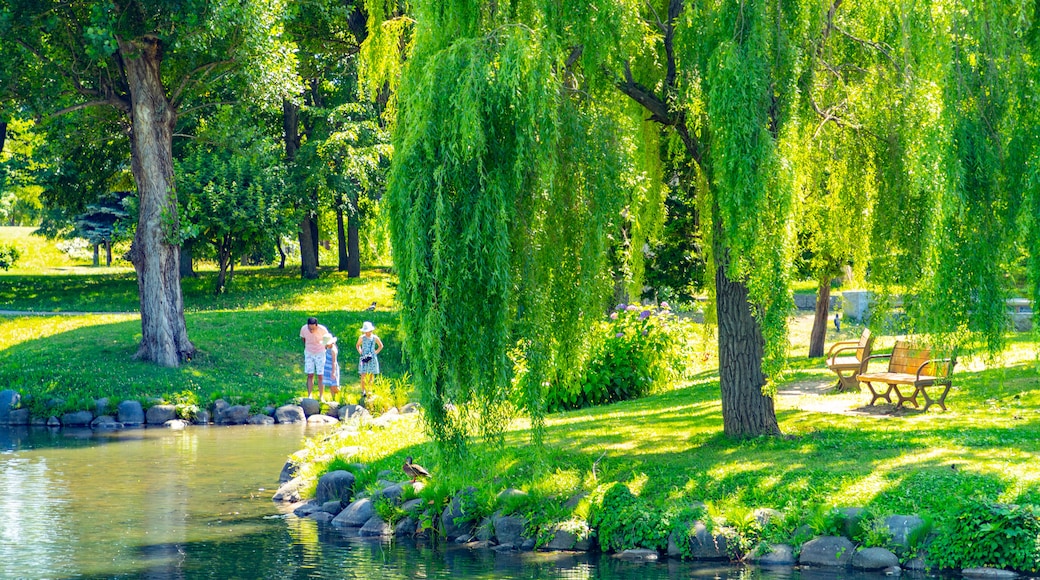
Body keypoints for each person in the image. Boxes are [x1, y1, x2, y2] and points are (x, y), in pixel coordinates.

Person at [299, 317, 329, 400]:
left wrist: (323, 348)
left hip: (320, 352)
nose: (311, 330)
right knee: (310, 374)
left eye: (313, 328)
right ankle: (309, 395)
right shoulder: (304, 329)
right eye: (310, 328)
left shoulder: (322, 330)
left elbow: (327, 340)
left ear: (316, 325)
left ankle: (321, 396)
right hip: (309, 352)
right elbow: (304, 339)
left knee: (320, 375)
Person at [356, 321, 383, 399]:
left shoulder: (375, 338)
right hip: (364, 357)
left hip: (372, 357)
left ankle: (369, 390)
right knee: (363, 374)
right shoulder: (362, 338)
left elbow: (381, 345)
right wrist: (360, 352)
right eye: (366, 331)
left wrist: (376, 352)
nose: (367, 332)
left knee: (371, 374)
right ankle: (363, 390)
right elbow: (357, 345)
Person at [322, 334, 340, 401]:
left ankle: (339, 397)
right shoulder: (328, 348)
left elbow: (334, 362)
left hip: (332, 368)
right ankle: (333, 399)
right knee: (330, 384)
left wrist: (333, 372)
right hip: (327, 368)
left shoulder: (333, 350)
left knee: (334, 385)